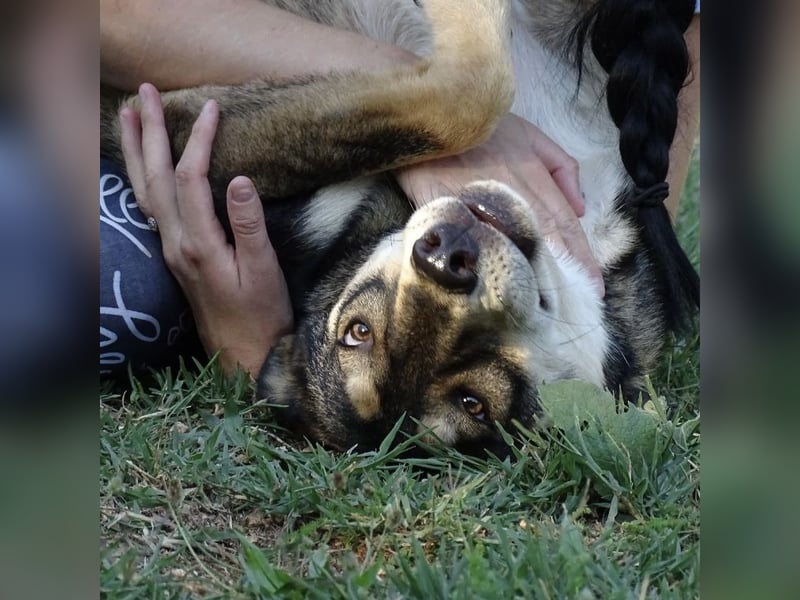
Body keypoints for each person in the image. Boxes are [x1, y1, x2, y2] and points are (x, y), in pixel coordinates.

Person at [100, 0, 699, 379]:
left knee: (124, 300)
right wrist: (446, 124)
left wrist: (256, 356)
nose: (444, 266)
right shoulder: (625, 292)